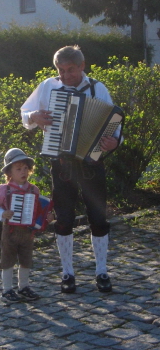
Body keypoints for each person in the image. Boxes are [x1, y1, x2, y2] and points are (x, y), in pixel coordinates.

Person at [21, 45, 122, 294]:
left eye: (70, 70)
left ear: (82, 66)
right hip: (62, 164)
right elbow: (25, 114)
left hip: (92, 164)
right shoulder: (48, 86)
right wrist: (34, 116)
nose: (65, 76)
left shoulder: (98, 88)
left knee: (98, 219)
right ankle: (67, 273)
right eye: (61, 70)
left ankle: (101, 271)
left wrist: (115, 141)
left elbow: (113, 123)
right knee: (64, 220)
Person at [0, 148, 54, 303]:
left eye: (25, 168)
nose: (23, 172)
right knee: (8, 259)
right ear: (9, 172)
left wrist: (47, 219)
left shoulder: (34, 189)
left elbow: (39, 213)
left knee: (26, 259)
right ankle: (6, 290)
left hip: (28, 232)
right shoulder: (5, 189)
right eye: (18, 169)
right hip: (10, 230)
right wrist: (2, 214)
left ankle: (23, 287)